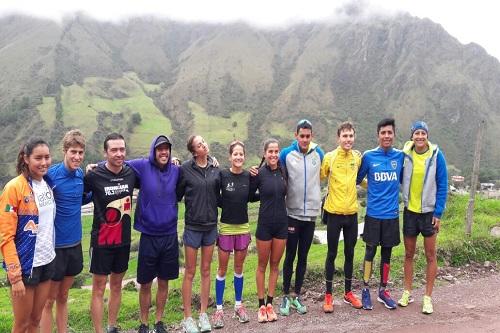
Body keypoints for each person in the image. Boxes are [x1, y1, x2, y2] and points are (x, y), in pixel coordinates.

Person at [0, 138, 55, 333]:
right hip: (25, 266)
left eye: (47, 157)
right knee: (21, 324)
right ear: (26, 158)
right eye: (38, 158)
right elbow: (5, 236)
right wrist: (15, 277)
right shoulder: (14, 188)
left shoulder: (48, 183)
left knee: (36, 320)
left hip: (47, 260)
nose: (44, 162)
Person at [84, 133, 137, 333]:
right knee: (98, 288)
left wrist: (173, 162)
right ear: (105, 152)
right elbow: (77, 191)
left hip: (123, 240)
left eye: (122, 149)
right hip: (101, 241)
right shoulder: (93, 175)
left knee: (117, 285)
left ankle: (112, 326)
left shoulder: (131, 173)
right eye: (114, 150)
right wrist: (87, 168)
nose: (119, 153)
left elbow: (154, 169)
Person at [126, 135, 180, 333]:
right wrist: (94, 166)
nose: (164, 152)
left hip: (169, 234)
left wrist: (212, 160)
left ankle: (158, 321)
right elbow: (118, 161)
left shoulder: (176, 170)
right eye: (160, 149)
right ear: (153, 151)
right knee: (145, 282)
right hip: (148, 234)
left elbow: (193, 169)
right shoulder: (142, 165)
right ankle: (143, 322)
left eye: (166, 149)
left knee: (164, 280)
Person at [40, 130, 90, 333]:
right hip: (55, 248)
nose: (77, 157)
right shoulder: (50, 176)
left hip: (75, 244)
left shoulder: (80, 174)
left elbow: (83, 198)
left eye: (80, 152)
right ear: (65, 151)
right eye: (73, 152)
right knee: (48, 300)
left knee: (63, 297)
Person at [398, 121, 448, 314]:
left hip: (428, 213)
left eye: (423, 133)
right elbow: (398, 177)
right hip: (410, 212)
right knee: (409, 254)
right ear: (412, 136)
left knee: (430, 255)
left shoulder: (436, 155)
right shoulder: (405, 155)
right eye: (416, 133)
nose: (420, 136)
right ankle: (407, 292)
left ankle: (427, 297)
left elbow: (442, 184)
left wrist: (438, 213)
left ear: (427, 135)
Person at [356, 118, 404, 311]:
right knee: (370, 252)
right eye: (383, 133)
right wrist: (372, 187)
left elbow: (404, 180)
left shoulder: (400, 157)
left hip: (392, 215)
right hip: (373, 214)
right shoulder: (368, 156)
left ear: (393, 135)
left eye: (389, 133)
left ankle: (383, 291)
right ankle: (366, 289)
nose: (386, 136)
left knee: (387, 254)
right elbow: (358, 179)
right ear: (378, 135)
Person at [278, 119, 324, 316]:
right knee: (290, 255)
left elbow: (324, 175)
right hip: (292, 213)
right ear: (296, 135)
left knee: (303, 257)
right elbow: (275, 174)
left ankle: (297, 295)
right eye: (301, 136)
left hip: (311, 214)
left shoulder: (319, 154)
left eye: (308, 136)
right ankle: (285, 296)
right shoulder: (286, 154)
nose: (305, 139)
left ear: (311, 136)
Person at [176, 135, 221, 333]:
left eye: (204, 141)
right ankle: (187, 317)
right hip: (193, 227)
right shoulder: (185, 169)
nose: (204, 144)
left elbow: (220, 194)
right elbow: (177, 195)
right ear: (194, 152)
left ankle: (203, 314)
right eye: (200, 144)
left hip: (211, 226)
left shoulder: (215, 168)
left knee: (206, 271)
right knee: (190, 271)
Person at [211, 140, 257, 329]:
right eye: (235, 154)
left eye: (241, 154)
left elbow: (252, 196)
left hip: (243, 228)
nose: (238, 157)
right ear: (230, 157)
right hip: (226, 229)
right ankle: (219, 310)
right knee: (222, 269)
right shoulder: (222, 174)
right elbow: (216, 197)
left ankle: (238, 306)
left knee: (239, 268)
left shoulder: (248, 176)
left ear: (244, 157)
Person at [321, 121, 363, 312]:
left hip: (352, 214)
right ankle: (328, 295)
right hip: (334, 214)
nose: (348, 139)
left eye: (351, 136)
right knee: (331, 253)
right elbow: (319, 176)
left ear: (354, 137)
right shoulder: (330, 157)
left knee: (350, 253)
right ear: (338, 138)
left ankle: (347, 293)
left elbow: (361, 181)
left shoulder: (357, 157)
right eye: (345, 136)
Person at [250, 138, 288, 323]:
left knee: (275, 265)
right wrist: (251, 178)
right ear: (264, 154)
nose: (273, 154)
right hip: (264, 225)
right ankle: (261, 305)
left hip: (281, 225)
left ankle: (271, 303)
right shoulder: (259, 174)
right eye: (270, 151)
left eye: (276, 151)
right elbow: (250, 196)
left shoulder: (283, 171)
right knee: (262, 265)